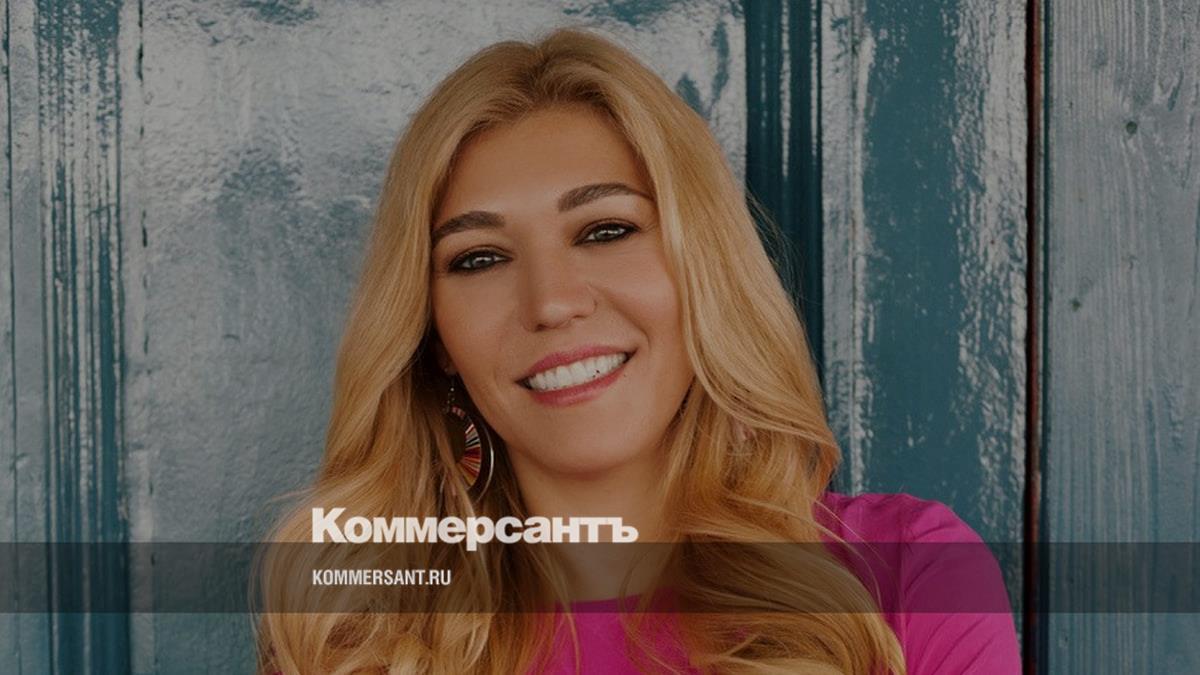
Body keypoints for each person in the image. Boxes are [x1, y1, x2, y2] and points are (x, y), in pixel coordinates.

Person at [255, 27, 1020, 674]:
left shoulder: (904, 576)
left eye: (606, 230)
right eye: (479, 258)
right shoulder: (354, 634)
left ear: (701, 267)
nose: (552, 301)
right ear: (434, 335)